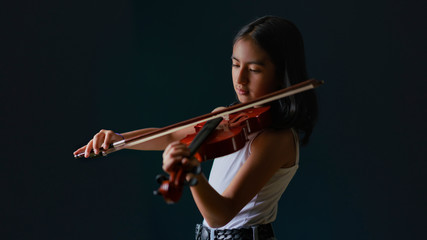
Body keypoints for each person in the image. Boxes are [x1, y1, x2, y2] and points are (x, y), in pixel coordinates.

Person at [73, 16, 318, 240]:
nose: (240, 79)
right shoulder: (225, 117)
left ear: (281, 74)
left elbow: (221, 214)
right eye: (235, 65)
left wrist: (192, 175)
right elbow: (169, 135)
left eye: (254, 69)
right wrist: (120, 140)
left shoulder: (278, 139)